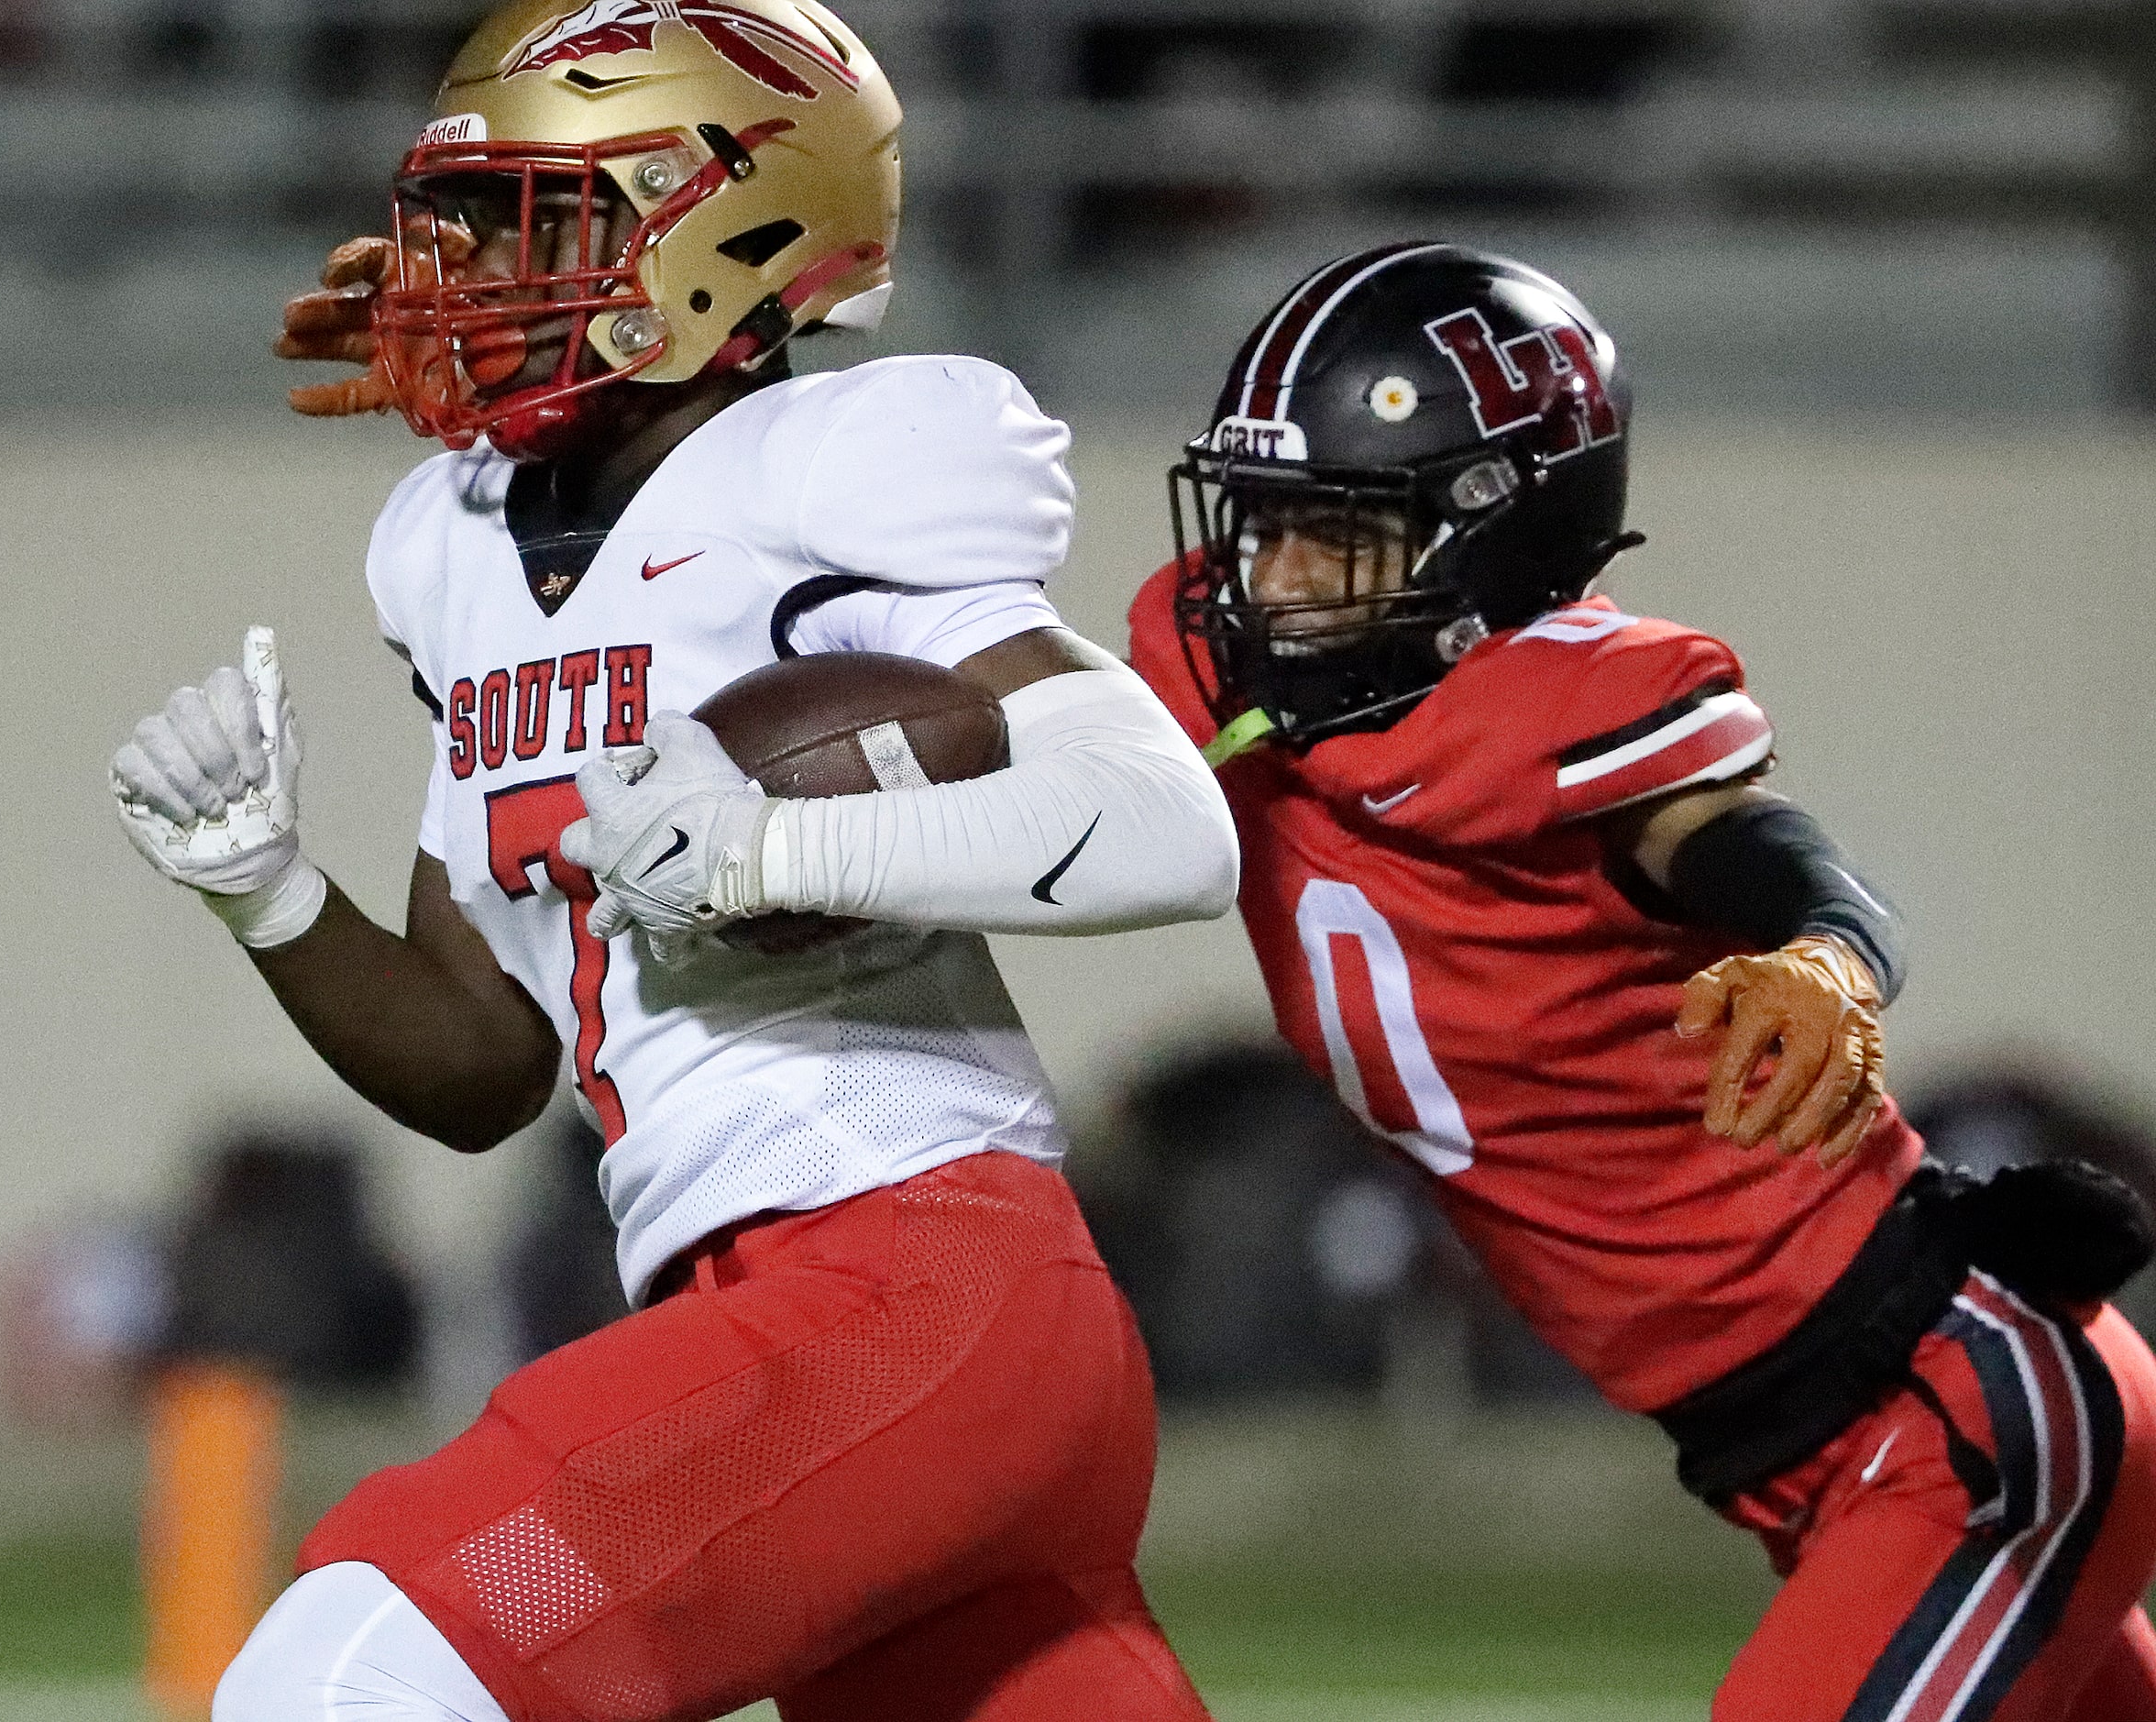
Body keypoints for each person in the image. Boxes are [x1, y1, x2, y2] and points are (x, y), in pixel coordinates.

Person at [108, 5, 1237, 1719]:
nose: (459, 271)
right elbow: (486, 1058)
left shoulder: (826, 461)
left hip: (912, 1268)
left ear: (731, 228)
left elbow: (1172, 821)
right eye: (458, 220)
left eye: (524, 221)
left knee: (345, 1679)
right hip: (843, 1323)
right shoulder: (459, 548)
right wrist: (263, 885)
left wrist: (777, 841)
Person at [1128, 241, 2156, 1721]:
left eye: (1335, 534)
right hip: (1801, 1461)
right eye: (1263, 522)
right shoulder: (1214, 665)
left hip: (1954, 1408)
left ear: (1491, 537)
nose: (1272, 580)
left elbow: (1752, 844)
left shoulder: (1564, 711)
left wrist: (1826, 951)